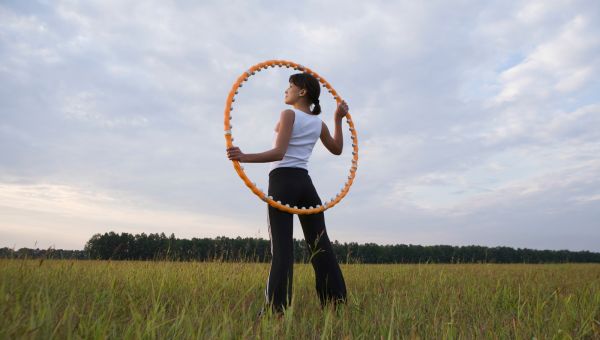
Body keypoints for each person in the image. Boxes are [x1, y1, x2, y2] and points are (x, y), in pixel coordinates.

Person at [226, 72, 349, 317]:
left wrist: (244, 157)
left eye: (290, 87)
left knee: (282, 249)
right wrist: (338, 119)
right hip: (305, 184)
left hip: (283, 182)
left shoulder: (288, 114)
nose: (285, 91)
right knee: (320, 246)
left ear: (302, 92)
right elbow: (337, 149)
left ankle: (276, 311)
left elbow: (279, 152)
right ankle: (337, 305)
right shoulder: (318, 123)